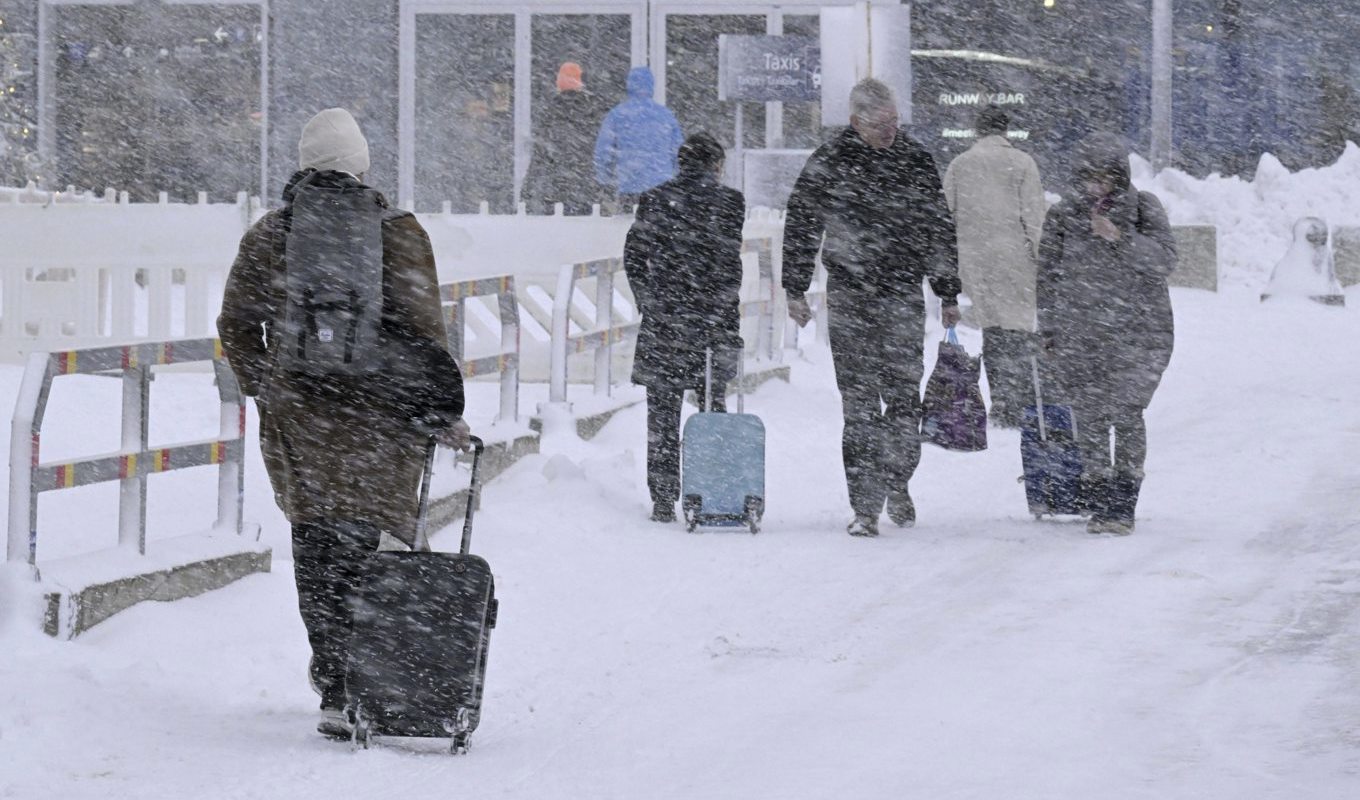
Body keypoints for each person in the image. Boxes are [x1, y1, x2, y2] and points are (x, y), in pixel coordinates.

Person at [217, 108, 472, 737]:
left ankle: (334, 682)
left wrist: (268, 387)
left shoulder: (271, 233)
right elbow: (424, 332)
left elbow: (236, 325)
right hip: (381, 419)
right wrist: (439, 409)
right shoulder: (400, 232)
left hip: (302, 419)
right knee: (372, 544)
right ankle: (375, 678)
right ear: (361, 165)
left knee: (317, 543)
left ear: (305, 165)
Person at [783, 78, 962, 538]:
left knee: (903, 398)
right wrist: (794, 288)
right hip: (850, 294)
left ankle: (896, 480)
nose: (891, 132)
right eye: (882, 125)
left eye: (895, 122)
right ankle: (864, 506)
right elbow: (801, 224)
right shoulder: (829, 161)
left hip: (901, 293)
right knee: (859, 404)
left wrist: (947, 291)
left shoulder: (915, 159)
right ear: (856, 122)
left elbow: (938, 228)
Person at [1037, 133, 1177, 535]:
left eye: (1105, 178)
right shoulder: (1063, 215)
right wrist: (1048, 328)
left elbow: (1166, 260)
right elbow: (1047, 275)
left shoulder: (1143, 208)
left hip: (1139, 332)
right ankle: (1101, 501)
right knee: (1091, 417)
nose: (1097, 187)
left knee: (1128, 413)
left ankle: (1124, 502)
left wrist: (1122, 238)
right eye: (1089, 178)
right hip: (1082, 333)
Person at [623, 132, 745, 523]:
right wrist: (726, 316)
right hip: (711, 320)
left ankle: (663, 498)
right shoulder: (730, 202)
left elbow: (634, 255)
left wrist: (648, 299)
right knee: (712, 407)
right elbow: (729, 266)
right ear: (717, 166)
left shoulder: (655, 199)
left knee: (662, 411)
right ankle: (709, 490)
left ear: (681, 163)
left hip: (665, 321)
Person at [943, 105, 1047, 427]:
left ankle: (1001, 401)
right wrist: (1042, 260)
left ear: (977, 130)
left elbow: (946, 216)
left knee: (993, 330)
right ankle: (1022, 401)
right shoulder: (1023, 163)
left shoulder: (960, 164)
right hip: (1016, 259)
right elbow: (1034, 218)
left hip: (975, 260)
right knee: (1019, 329)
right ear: (1005, 130)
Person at [523, 62, 609, 215]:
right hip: (584, 182)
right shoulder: (591, 109)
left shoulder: (551, 109)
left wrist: (527, 190)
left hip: (556, 182)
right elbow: (601, 147)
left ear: (559, 82)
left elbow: (540, 151)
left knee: (556, 224)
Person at [594, 66, 684, 211]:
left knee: (627, 223)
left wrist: (604, 178)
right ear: (651, 86)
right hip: (661, 186)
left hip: (629, 184)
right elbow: (678, 151)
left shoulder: (617, 114)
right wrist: (676, 177)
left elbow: (603, 151)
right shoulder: (666, 116)